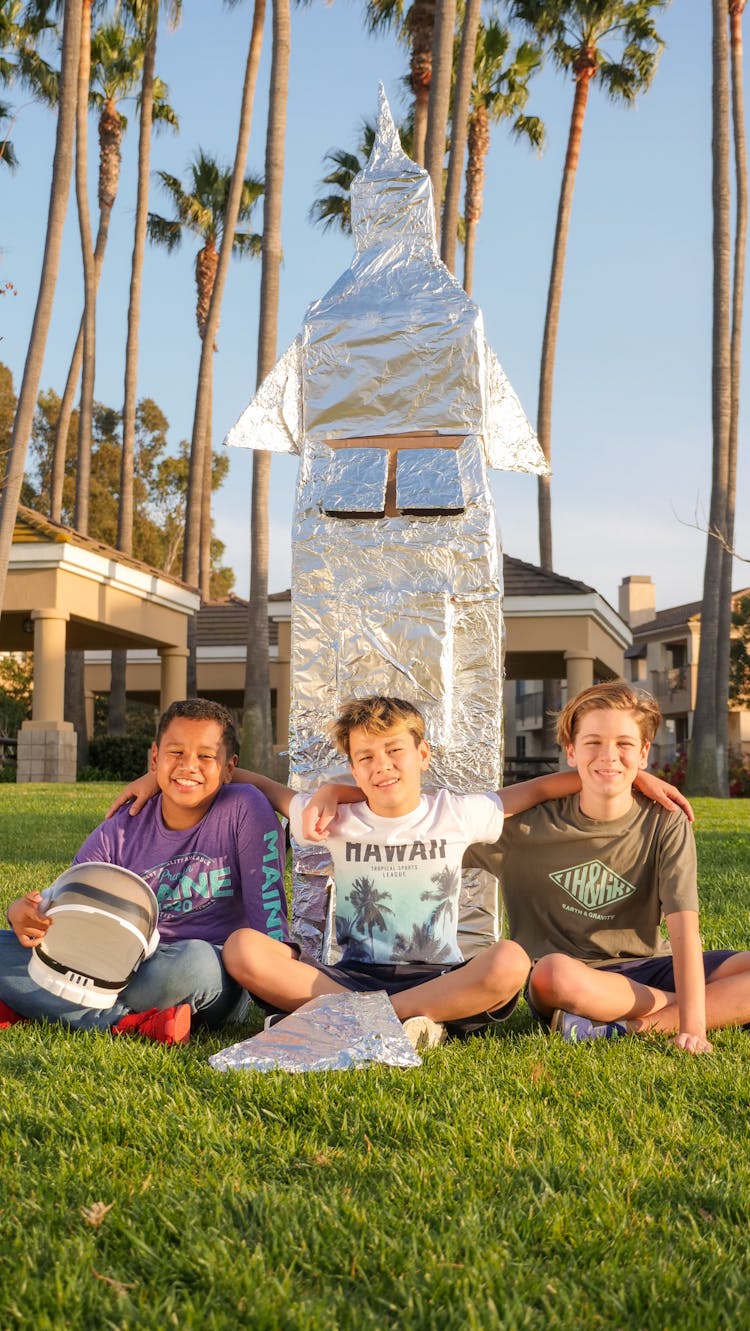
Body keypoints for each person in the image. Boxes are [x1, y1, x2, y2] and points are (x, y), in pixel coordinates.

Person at [219, 694, 687, 1051]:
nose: (382, 765)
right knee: (243, 949)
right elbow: (257, 782)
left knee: (509, 961)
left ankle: (354, 1019)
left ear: (422, 755)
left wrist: (636, 776)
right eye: (366, 757)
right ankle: (394, 1019)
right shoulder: (333, 818)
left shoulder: (457, 813)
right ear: (353, 770)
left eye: (394, 750)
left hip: (441, 979)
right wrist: (149, 777)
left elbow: (544, 786)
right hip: (354, 977)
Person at [467, 680, 750, 1055]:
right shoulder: (524, 826)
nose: (609, 755)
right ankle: (720, 1004)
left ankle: (627, 1026)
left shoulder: (664, 821)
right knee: (552, 973)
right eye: (593, 743)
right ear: (571, 750)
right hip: (571, 979)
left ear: (644, 751)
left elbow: (684, 927)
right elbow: (459, 821)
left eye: (624, 744)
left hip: (649, 966)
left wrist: (694, 1026)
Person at [0, 698, 288, 1045]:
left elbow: (269, 917)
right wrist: (21, 912)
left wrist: (279, 994)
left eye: (205, 756)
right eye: (175, 753)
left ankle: (36, 1003)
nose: (189, 766)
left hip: (204, 973)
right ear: (154, 759)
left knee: (193, 962)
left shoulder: (245, 809)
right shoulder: (121, 829)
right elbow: (67, 904)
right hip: (113, 966)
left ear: (229, 767)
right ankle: (126, 1023)